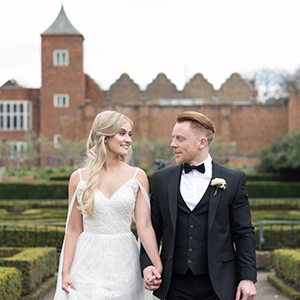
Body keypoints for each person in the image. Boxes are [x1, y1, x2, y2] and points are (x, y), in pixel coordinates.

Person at [141, 111, 257, 300]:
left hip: (220, 283)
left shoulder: (234, 180)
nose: (173, 144)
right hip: (174, 283)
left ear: (202, 142)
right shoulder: (162, 179)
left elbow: (243, 232)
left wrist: (247, 278)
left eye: (180, 139)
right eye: (172, 138)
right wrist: (147, 265)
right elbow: (151, 229)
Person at [54, 110, 161, 300]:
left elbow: (144, 226)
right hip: (87, 260)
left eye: (130, 134)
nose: (128, 139)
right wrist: (65, 272)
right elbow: (72, 229)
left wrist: (157, 265)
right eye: (122, 133)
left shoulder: (138, 176)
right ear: (104, 136)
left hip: (125, 260)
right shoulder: (77, 178)